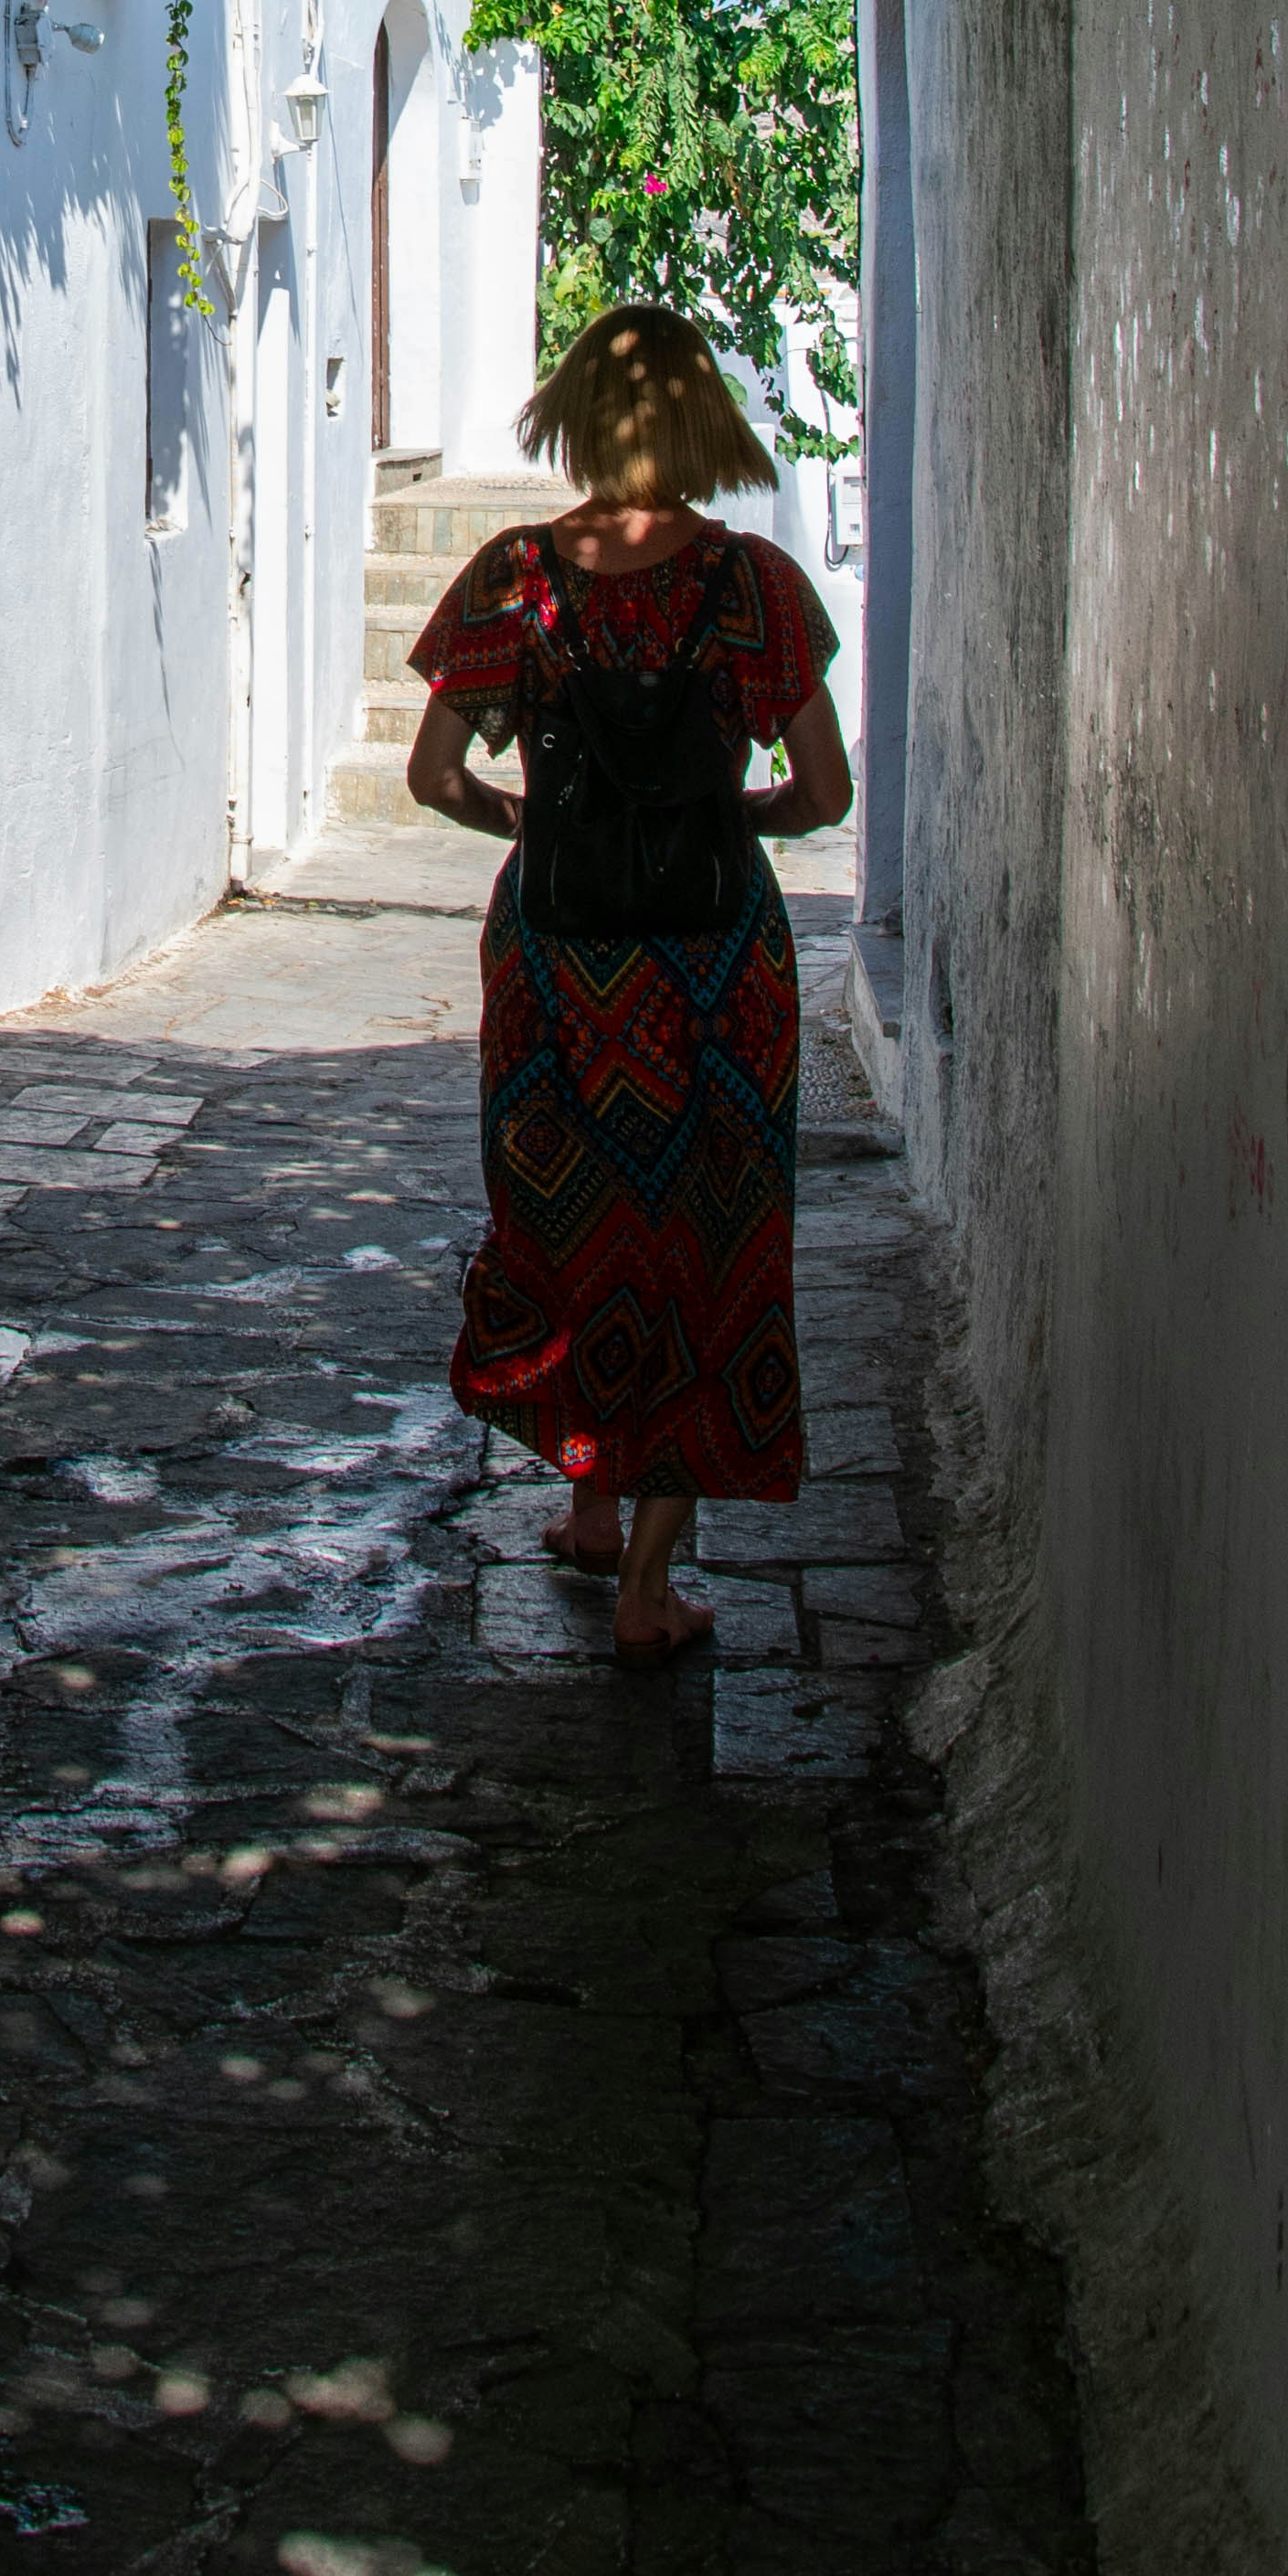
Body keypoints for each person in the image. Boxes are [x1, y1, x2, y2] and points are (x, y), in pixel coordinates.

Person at [405, 299, 852, 1665]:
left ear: (576, 422)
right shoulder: (754, 586)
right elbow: (819, 793)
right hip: (719, 971)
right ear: (702, 421)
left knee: (571, 1222)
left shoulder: (511, 575)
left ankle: (589, 1504)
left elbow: (432, 777)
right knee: (705, 1247)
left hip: (557, 968)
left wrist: (532, 826)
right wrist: (727, 826)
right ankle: (653, 1581)